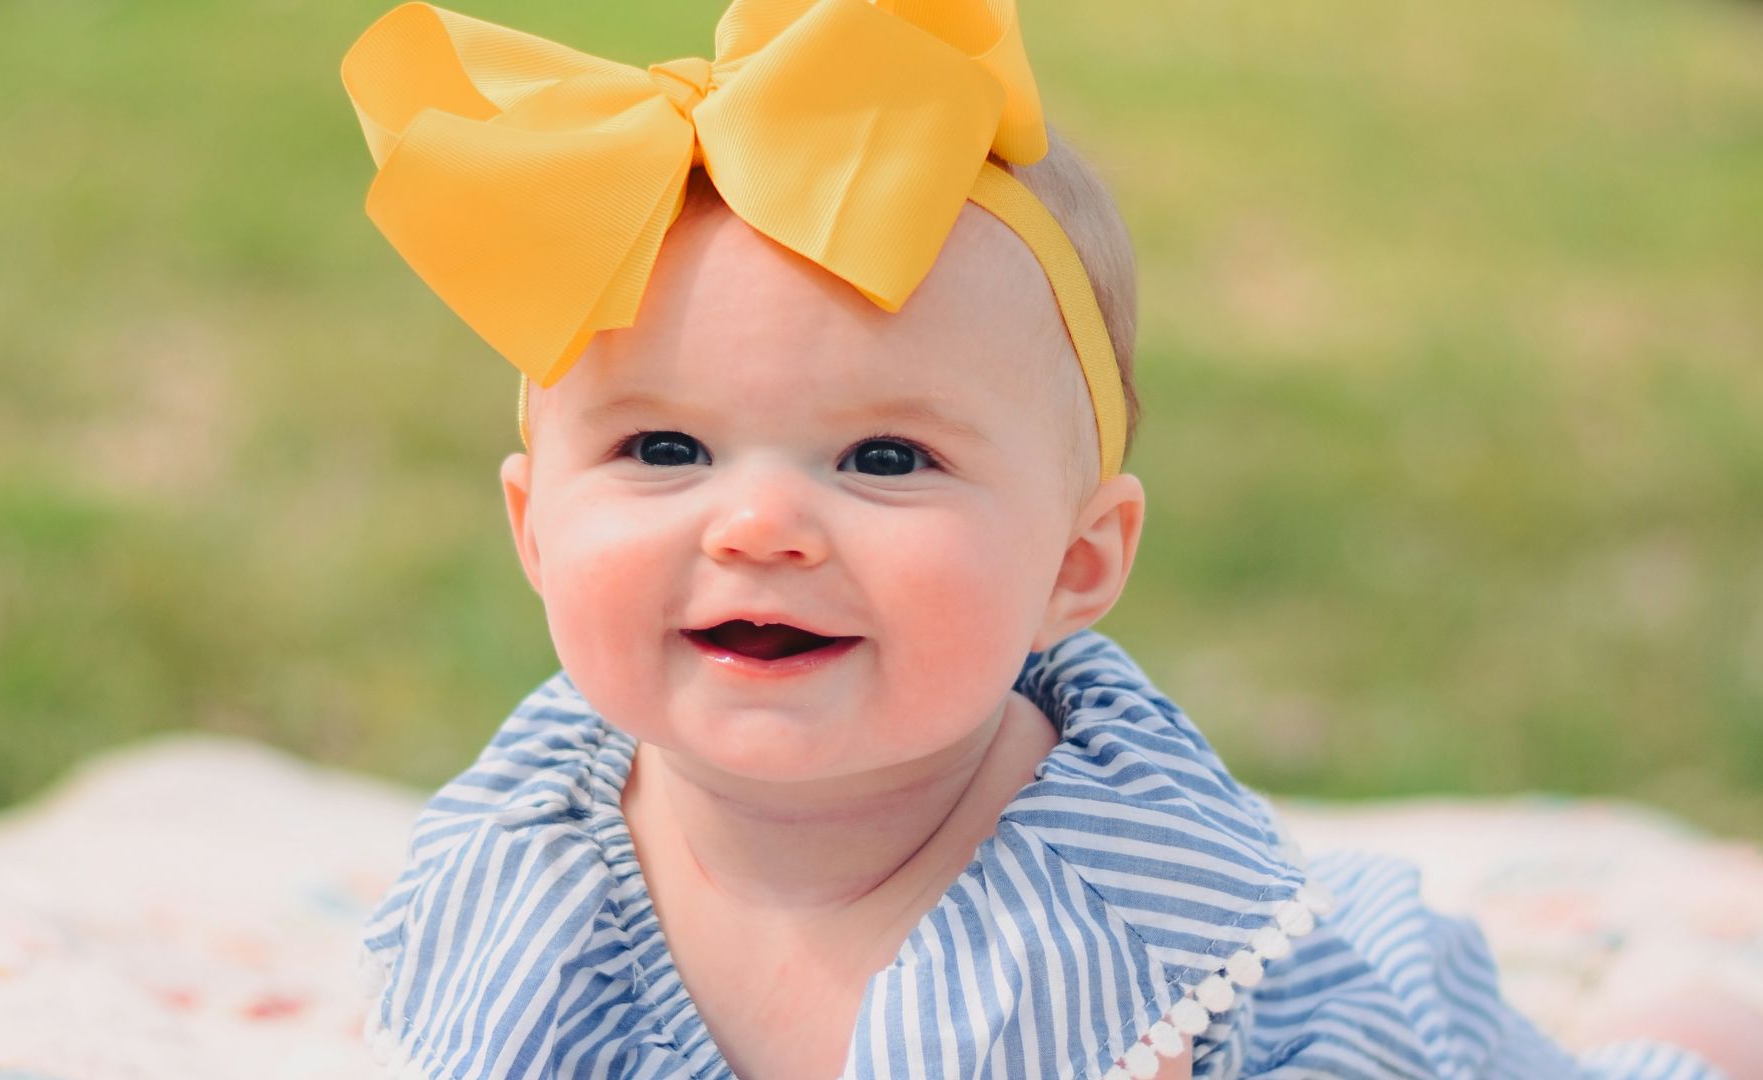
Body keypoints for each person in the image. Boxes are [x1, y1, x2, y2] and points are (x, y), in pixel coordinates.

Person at [339, 1, 1729, 1076]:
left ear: (1080, 564)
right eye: (663, 450)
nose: (758, 524)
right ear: (531, 526)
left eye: (886, 457)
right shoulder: (530, 844)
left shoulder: (1101, 911)